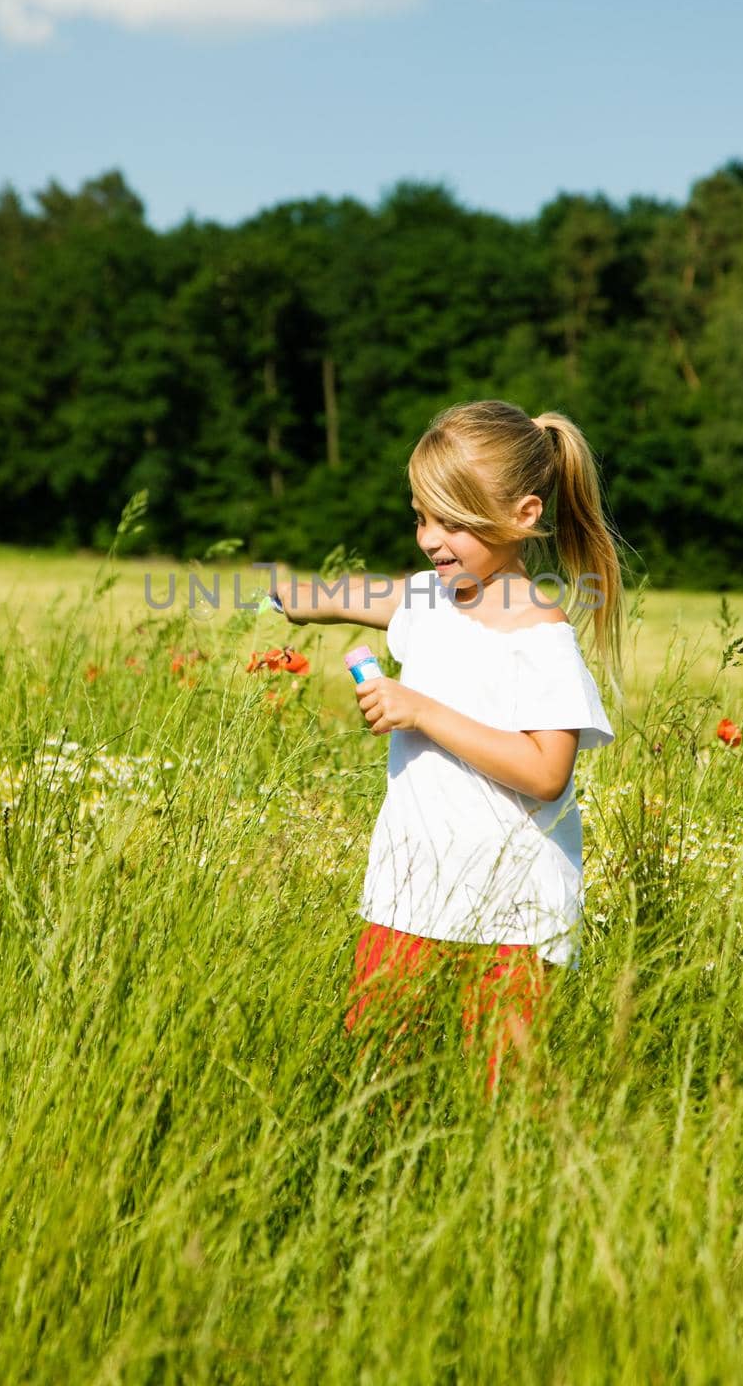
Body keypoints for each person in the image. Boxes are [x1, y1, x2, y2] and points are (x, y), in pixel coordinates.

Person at [279, 399, 627, 1102]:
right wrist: (289, 594)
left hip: (510, 912)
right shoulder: (433, 598)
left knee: (503, 1095)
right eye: (420, 516)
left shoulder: (538, 634)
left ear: (524, 515)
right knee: (378, 1083)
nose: (431, 539)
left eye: (453, 522)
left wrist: (422, 710)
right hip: (410, 891)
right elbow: (360, 595)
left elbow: (544, 771)